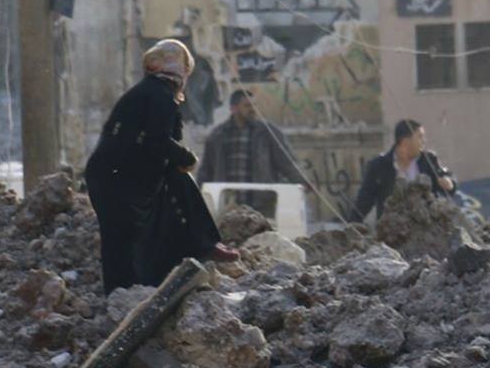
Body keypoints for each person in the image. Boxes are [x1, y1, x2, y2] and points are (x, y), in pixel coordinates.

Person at [84, 39, 238, 291]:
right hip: (118, 180)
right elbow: (158, 141)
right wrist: (187, 158)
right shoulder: (159, 97)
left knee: (124, 240)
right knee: (123, 240)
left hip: (110, 177)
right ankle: (125, 294)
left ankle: (128, 291)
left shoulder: (147, 92)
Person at [198, 90, 316, 190]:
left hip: (261, 203)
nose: (253, 109)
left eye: (254, 105)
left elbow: (287, 163)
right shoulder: (218, 135)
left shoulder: (268, 133)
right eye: (247, 105)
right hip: (228, 202)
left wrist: (303, 182)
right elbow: (206, 170)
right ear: (234, 108)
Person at [348, 119, 455, 222]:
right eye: (420, 137)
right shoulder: (379, 166)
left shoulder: (429, 160)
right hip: (392, 230)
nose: (424, 141)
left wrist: (449, 183)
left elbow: (445, 178)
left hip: (426, 229)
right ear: (405, 142)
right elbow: (364, 199)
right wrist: (353, 224)